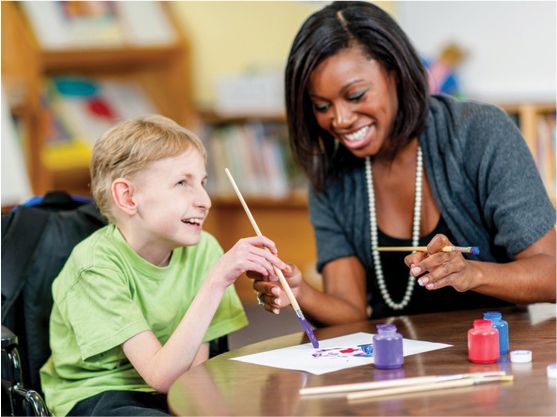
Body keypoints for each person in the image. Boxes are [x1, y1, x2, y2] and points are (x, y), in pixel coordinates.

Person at [252, 1, 555, 324]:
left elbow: (551, 275)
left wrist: (472, 273)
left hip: (494, 358)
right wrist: (299, 292)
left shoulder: (480, 132)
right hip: (394, 365)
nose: (339, 120)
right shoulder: (331, 173)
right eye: (322, 106)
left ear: (394, 74)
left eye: (355, 96)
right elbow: (349, 310)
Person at [39, 115, 288, 416]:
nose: (205, 200)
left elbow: (190, 379)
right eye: (183, 182)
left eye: (203, 182)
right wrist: (216, 281)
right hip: (100, 393)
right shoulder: (95, 266)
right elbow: (162, 378)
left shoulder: (204, 249)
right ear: (128, 197)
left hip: (172, 386)